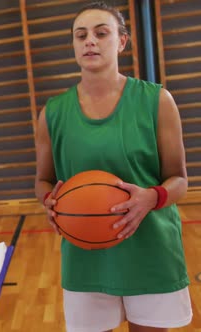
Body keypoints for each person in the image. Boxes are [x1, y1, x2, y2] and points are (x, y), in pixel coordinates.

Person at [35, 2, 192, 331]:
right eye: (81, 35)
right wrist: (49, 201)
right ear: (75, 45)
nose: (89, 41)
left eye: (101, 33)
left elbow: (179, 180)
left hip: (150, 248)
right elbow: (43, 181)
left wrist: (151, 197)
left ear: (121, 41)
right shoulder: (52, 113)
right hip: (85, 254)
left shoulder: (157, 101)